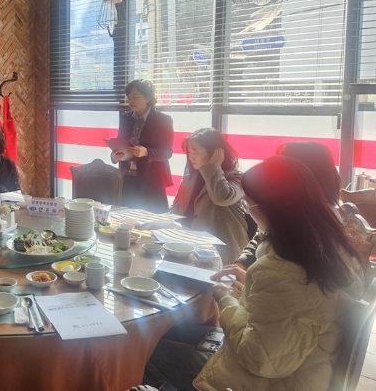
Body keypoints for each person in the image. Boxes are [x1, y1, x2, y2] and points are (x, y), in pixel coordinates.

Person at [143, 156, 365, 391]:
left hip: (270, 381)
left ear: (271, 209)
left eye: (247, 204)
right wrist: (250, 284)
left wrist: (225, 299)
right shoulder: (331, 246)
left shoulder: (280, 272)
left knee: (148, 352)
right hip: (309, 367)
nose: (247, 211)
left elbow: (259, 360)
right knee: (171, 333)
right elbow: (294, 309)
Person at [234, 141, 341, 270]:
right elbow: (261, 235)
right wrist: (242, 263)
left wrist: (248, 277)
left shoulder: (319, 224)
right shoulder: (291, 210)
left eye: (281, 167)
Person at [170, 128, 248, 265]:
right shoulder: (191, 175)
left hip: (222, 249)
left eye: (196, 152)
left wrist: (213, 166)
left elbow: (221, 198)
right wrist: (168, 226)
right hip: (189, 242)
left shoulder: (236, 177)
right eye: (189, 152)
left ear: (214, 153)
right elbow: (177, 205)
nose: (191, 157)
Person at [111, 80, 173, 213]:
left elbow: (167, 152)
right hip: (127, 178)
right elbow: (120, 142)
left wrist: (146, 152)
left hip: (151, 180)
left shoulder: (163, 120)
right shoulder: (126, 117)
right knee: (126, 218)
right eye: (129, 97)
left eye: (135, 96)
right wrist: (114, 155)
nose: (131, 100)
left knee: (152, 220)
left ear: (147, 98)